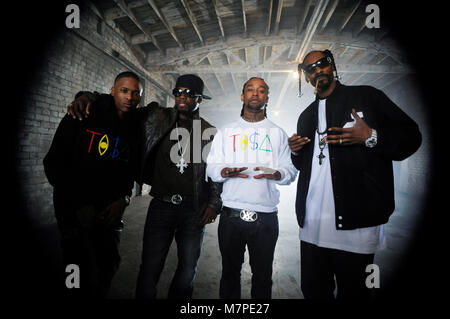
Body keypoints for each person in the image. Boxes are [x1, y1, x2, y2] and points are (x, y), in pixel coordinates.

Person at [67, 74, 222, 299]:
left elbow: (215, 170)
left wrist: (214, 203)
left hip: (193, 210)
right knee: (150, 267)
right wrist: (86, 96)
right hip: (161, 206)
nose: (182, 97)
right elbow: (119, 102)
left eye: (189, 94)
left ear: (200, 99)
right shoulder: (157, 116)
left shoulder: (210, 132)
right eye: (178, 92)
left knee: (188, 269)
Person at [289, 49, 422, 300]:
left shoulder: (367, 97)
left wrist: (371, 136)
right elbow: (304, 167)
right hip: (312, 227)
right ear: (306, 77)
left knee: (355, 294)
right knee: (314, 293)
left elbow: (412, 137)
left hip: (357, 227)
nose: (318, 70)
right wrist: (296, 153)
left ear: (332, 65)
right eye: (310, 68)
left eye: (322, 63)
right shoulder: (305, 117)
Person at [43, 71, 142, 298]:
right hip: (73, 210)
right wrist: (79, 204)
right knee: (75, 267)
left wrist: (123, 199)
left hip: (108, 213)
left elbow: (129, 171)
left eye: (136, 93)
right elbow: (54, 164)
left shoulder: (135, 127)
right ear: (112, 91)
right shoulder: (81, 113)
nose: (130, 97)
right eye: (124, 91)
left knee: (108, 265)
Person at [206, 77, 297, 299]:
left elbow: (290, 171)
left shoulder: (277, 133)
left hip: (265, 218)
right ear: (242, 96)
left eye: (261, 90)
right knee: (229, 274)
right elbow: (211, 167)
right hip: (231, 215)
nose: (255, 94)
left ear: (267, 97)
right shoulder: (227, 132)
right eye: (250, 90)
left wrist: (278, 174)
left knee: (263, 275)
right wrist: (223, 171)